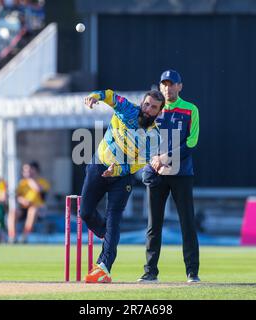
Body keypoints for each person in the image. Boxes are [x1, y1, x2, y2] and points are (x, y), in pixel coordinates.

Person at [80, 89, 165, 283]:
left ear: (159, 112)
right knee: (85, 213)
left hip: (122, 177)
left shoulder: (154, 136)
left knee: (114, 219)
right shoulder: (128, 109)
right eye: (146, 104)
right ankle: (107, 235)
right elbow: (109, 95)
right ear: (141, 103)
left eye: (153, 107)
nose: (148, 109)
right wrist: (95, 96)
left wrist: (116, 170)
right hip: (98, 165)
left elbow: (137, 164)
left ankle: (104, 267)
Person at [137, 69, 200, 283]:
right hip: (156, 174)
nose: (167, 88)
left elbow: (191, 143)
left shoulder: (190, 110)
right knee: (154, 225)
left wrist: (167, 158)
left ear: (180, 86)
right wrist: (154, 159)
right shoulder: (153, 109)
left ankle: (192, 272)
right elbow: (142, 137)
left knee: (187, 223)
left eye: (171, 84)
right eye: (164, 84)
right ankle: (150, 272)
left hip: (181, 173)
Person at [7, 161, 50, 243]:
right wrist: (22, 200)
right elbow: (17, 196)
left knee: (33, 210)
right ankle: (12, 237)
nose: (26, 173)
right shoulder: (22, 183)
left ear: (35, 170)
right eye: (25, 171)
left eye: (29, 170)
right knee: (13, 212)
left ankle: (24, 236)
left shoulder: (43, 182)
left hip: (38, 210)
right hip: (23, 209)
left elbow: (39, 189)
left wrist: (30, 179)